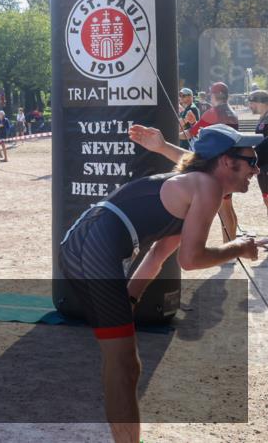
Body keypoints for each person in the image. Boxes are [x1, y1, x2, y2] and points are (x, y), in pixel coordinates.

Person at [61, 123, 264, 443]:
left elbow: (158, 256)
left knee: (126, 364)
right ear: (227, 162)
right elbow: (191, 259)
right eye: (251, 161)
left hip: (88, 243)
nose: (256, 169)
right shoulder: (207, 187)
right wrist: (240, 247)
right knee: (125, 364)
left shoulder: (194, 190)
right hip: (93, 246)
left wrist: (129, 301)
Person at [188, 82, 241, 240]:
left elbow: (191, 133)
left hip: (220, 164)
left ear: (215, 95)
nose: (209, 97)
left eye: (210, 94)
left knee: (223, 208)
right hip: (232, 161)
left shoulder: (213, 112)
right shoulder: (232, 112)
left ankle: (228, 247)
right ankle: (231, 243)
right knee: (228, 207)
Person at [249, 89, 268, 215]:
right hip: (263, 165)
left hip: (266, 166)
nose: (250, 106)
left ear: (260, 102)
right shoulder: (263, 117)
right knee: (266, 199)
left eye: (251, 102)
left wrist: (254, 153)